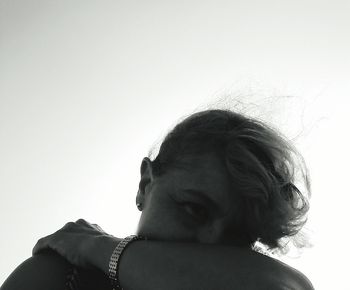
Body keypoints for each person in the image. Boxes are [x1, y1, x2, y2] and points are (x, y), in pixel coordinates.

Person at [1, 109, 314, 290]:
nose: (211, 241)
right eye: (194, 210)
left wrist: (98, 246)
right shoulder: (59, 280)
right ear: (145, 184)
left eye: (237, 235)